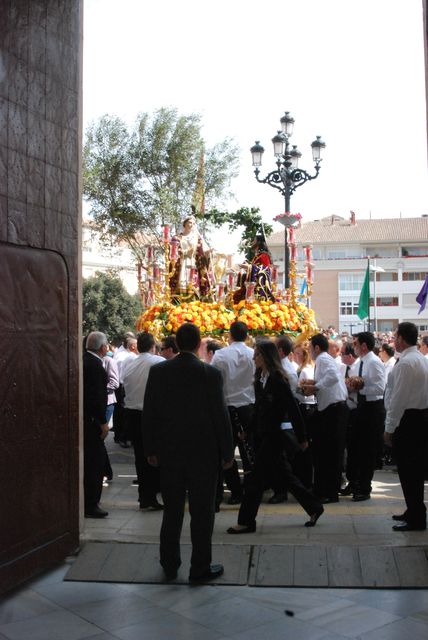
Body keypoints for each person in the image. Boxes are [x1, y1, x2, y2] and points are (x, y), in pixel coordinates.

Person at [142, 323, 234, 582]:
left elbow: (150, 412)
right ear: (198, 345)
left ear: (177, 344)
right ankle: (199, 568)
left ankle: (170, 563)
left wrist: (150, 448)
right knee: (202, 512)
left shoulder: (158, 372)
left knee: (172, 510)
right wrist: (227, 452)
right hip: (203, 454)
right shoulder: (210, 374)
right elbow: (221, 417)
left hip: (169, 452)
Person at [227, 339, 323, 534]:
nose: (254, 358)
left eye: (257, 355)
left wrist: (302, 437)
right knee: (286, 477)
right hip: (264, 435)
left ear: (266, 357)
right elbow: (259, 411)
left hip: (273, 438)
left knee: (254, 481)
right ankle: (314, 507)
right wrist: (248, 430)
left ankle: (246, 521)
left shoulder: (278, 380)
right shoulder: (261, 380)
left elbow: (293, 409)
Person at [384, 322, 428, 531]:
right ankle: (414, 509)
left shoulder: (406, 363)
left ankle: (416, 517)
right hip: (420, 418)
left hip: (408, 421)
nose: (393, 340)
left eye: (395, 336)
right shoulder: (419, 358)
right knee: (415, 470)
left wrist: (389, 428)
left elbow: (398, 400)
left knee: (409, 471)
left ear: (401, 338)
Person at [301, 333, 348, 504]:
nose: (308, 351)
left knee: (332, 454)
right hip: (331, 410)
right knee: (327, 453)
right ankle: (325, 489)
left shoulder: (323, 359)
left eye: (309, 347)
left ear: (317, 348)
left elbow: (333, 377)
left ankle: (331, 492)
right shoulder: (323, 359)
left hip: (334, 411)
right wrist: (313, 384)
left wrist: (316, 387)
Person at [211, 321, 255, 504]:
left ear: (230, 334)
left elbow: (214, 380)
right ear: (247, 335)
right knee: (249, 452)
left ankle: (235, 491)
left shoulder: (220, 355)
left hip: (227, 407)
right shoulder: (253, 354)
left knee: (226, 451)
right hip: (248, 407)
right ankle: (252, 489)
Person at [122, 332, 165, 510]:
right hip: (151, 415)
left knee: (140, 457)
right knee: (155, 457)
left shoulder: (129, 364)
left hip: (132, 414)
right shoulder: (158, 362)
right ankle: (151, 495)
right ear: (153, 347)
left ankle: (144, 495)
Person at [348, 332, 385, 501]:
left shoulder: (374, 362)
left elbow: (379, 388)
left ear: (363, 345)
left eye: (355, 343)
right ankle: (354, 482)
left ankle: (365, 487)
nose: (353, 346)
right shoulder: (359, 362)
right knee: (356, 448)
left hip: (371, 409)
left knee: (367, 450)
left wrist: (359, 389)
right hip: (359, 408)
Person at [83, 331, 110, 518]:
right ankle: (91, 503)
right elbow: (98, 398)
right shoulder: (95, 365)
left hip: (84, 419)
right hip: (92, 422)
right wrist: (103, 422)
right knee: (95, 464)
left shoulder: (84, 360)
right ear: (102, 348)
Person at [169, 213, 215, 298]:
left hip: (193, 263)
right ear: (184, 223)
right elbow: (173, 253)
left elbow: (201, 252)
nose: (191, 225)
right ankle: (179, 300)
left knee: (193, 282)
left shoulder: (197, 238)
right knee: (181, 282)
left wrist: (208, 252)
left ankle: (192, 301)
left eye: (193, 223)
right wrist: (186, 252)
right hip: (182, 263)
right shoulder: (177, 238)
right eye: (189, 222)